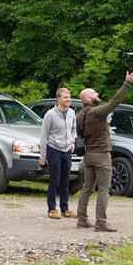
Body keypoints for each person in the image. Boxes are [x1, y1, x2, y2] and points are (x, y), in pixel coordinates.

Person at [76, 71, 133, 232]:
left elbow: (80, 135)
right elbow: (114, 102)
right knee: (103, 190)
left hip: (88, 155)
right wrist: (127, 83)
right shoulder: (97, 112)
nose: (98, 94)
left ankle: (82, 219)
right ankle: (101, 223)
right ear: (88, 99)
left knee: (86, 188)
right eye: (94, 93)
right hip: (102, 155)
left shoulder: (79, 116)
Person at [38, 87, 77, 220]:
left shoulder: (72, 112)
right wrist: (43, 156)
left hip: (67, 150)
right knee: (54, 179)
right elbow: (43, 136)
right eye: (66, 97)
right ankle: (52, 208)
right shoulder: (50, 115)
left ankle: (65, 208)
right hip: (54, 149)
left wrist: (72, 142)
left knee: (65, 179)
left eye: (69, 97)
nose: (68, 99)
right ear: (59, 99)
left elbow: (73, 129)